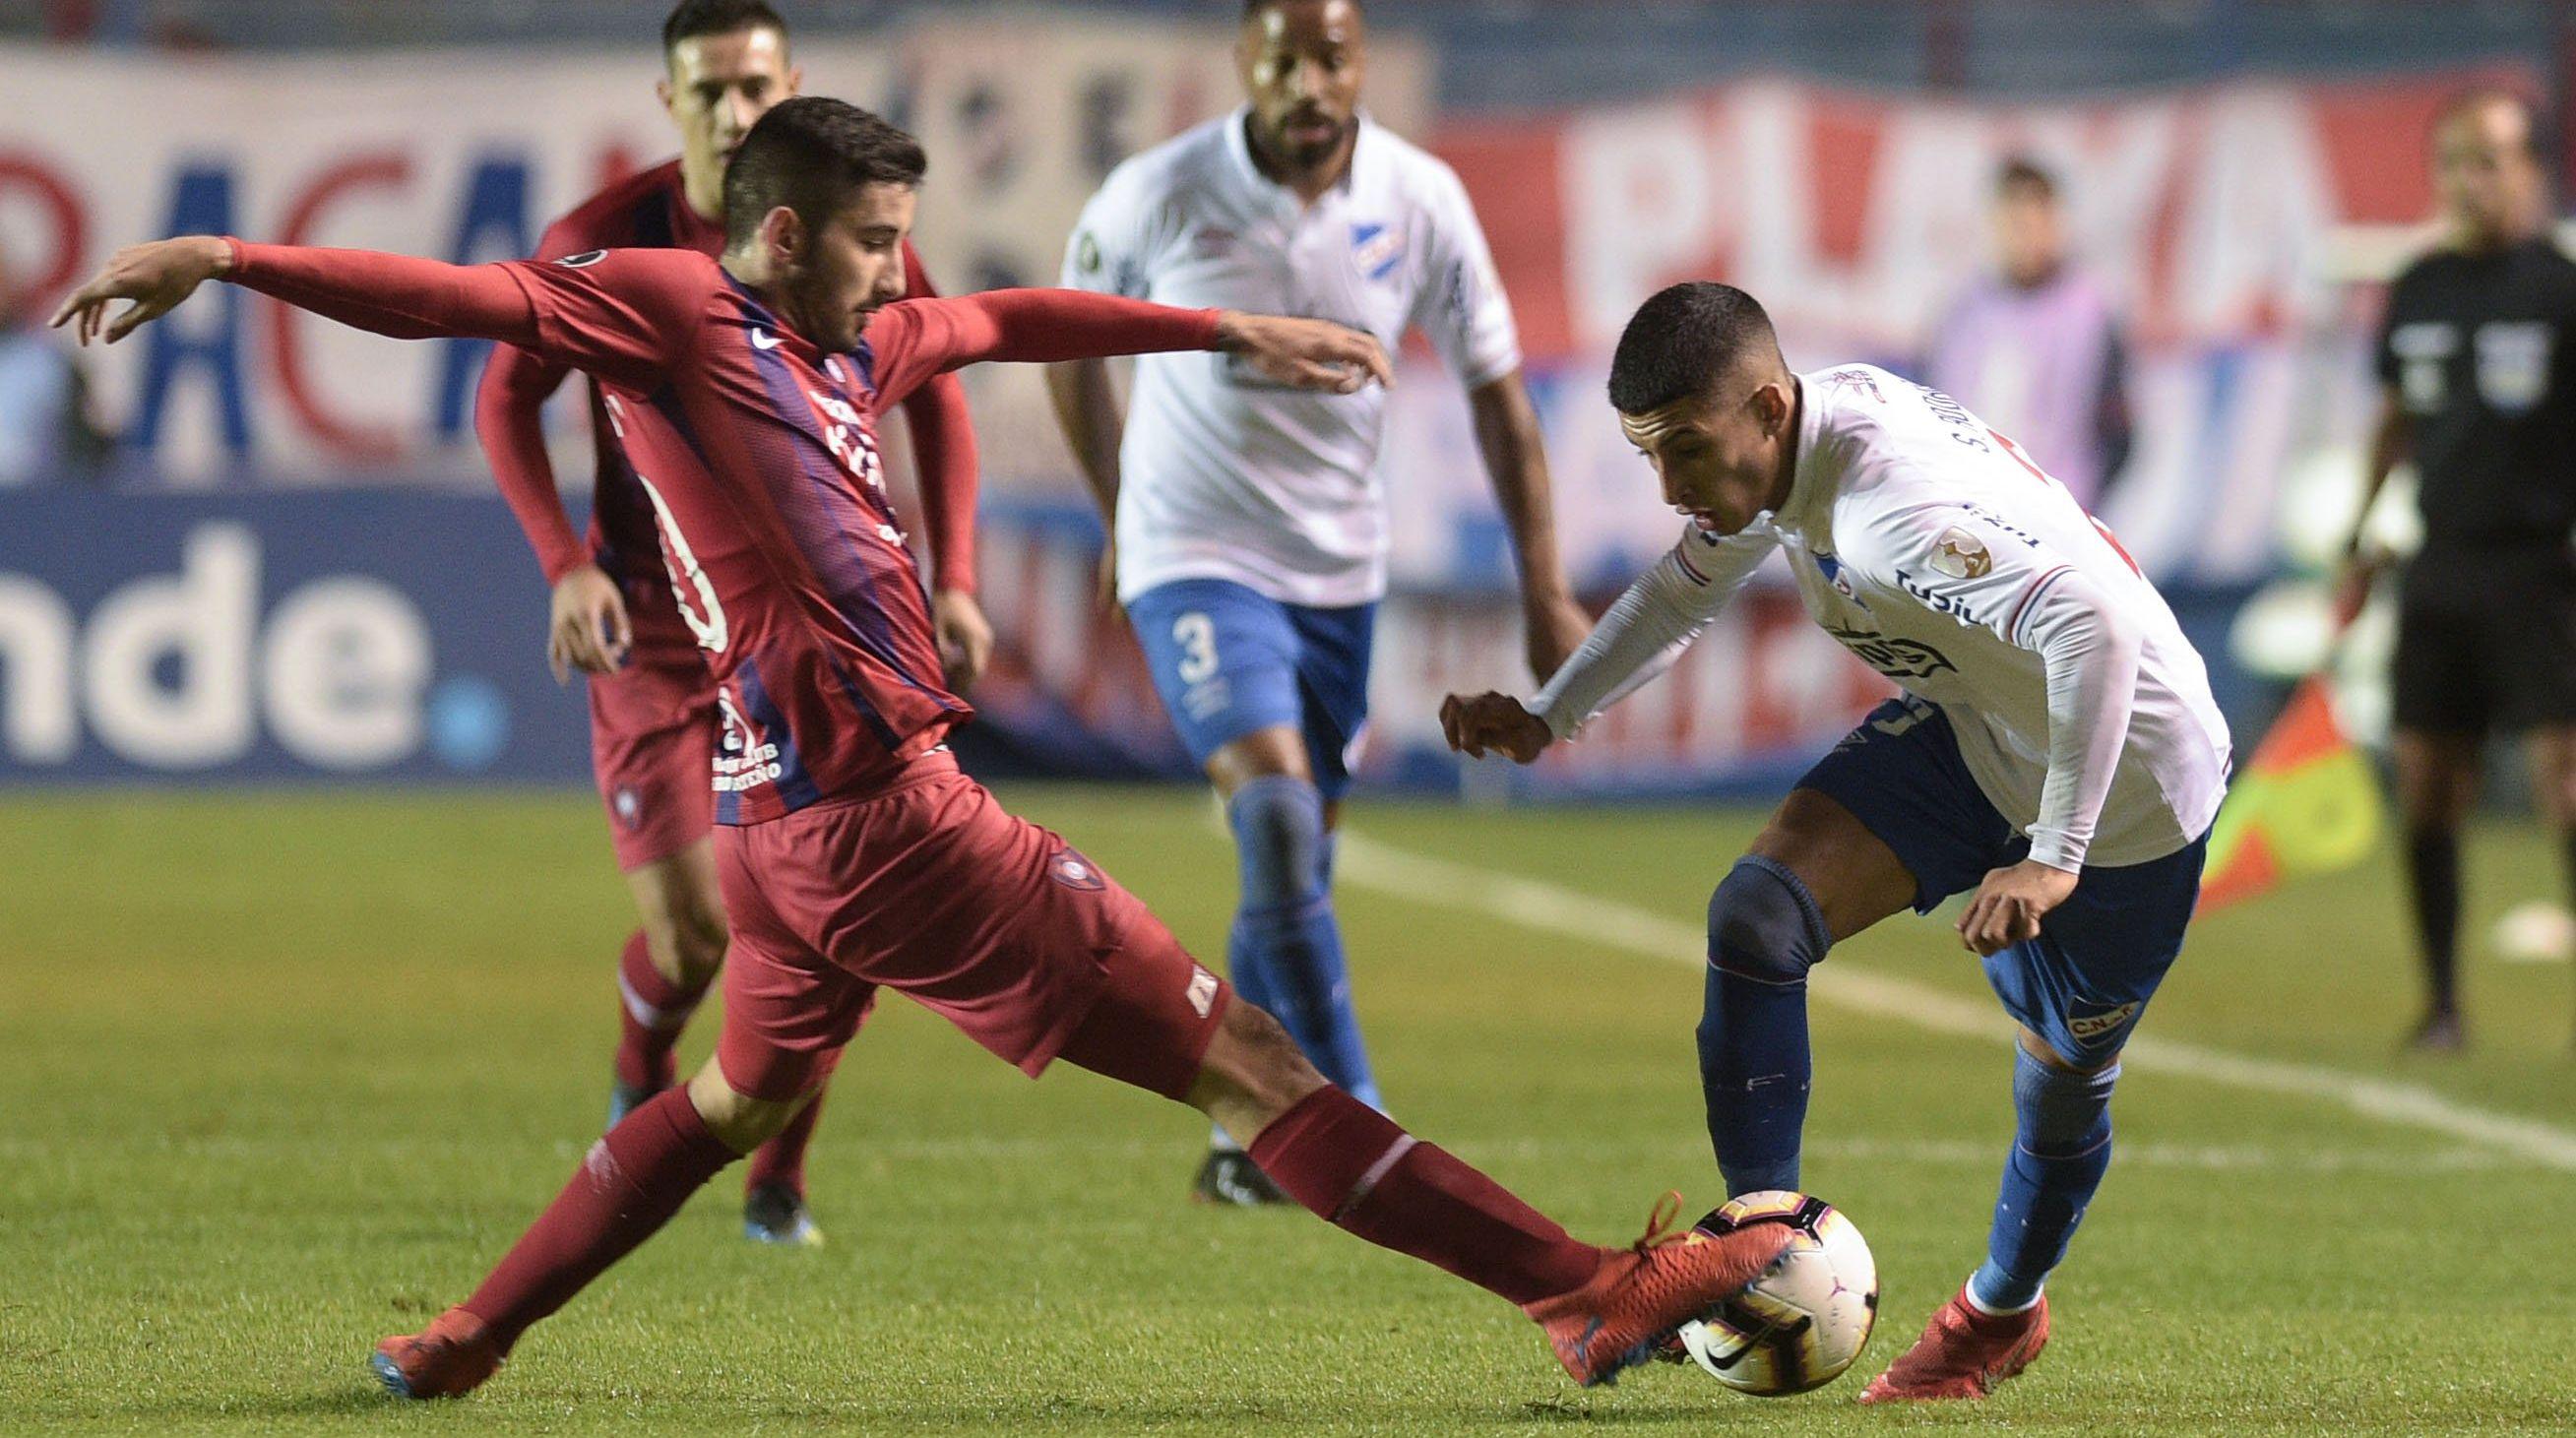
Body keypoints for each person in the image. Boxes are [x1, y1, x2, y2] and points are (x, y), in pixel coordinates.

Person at [55, 98, 1791, 1401]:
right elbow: (461, 303)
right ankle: (1578, 1290)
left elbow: (1010, 325)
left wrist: (1224, 333)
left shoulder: (846, 343)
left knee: (728, 1098)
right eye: (879, 236)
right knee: (1251, 1069)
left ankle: (466, 1336)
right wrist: (227, 259)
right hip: (896, 829)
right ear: (791, 228)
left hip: (787, 843)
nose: (904, 271)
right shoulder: (665, 310)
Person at [1442, 283, 2231, 1402]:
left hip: (2126, 791)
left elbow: (2091, 623)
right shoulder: (1795, 438)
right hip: (1979, 729)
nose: (1670, 488)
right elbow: (1682, 590)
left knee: (2059, 1086)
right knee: (1756, 915)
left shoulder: (1887, 511)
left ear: (1765, 408)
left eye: (1684, 453)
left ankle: (1998, 1311)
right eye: (1648, 458)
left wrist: (2054, 853)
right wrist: (1550, 714)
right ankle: (1757, 1250)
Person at [1046, 0, 1590, 1204]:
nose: (1305, 81)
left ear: (1360, 65)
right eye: (1279, 57)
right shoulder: (1160, 191)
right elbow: (1070, 344)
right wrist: (1116, 513)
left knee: (1293, 862)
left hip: (1339, 573)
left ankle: (1249, 1141)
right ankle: (1361, 1130)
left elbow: (1501, 395)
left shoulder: (1420, 198)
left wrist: (1542, 584)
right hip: (1193, 551)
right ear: (1243, 64)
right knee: (1277, 820)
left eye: (1327, 57)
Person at [476, 0, 992, 1246]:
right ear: (670, 101)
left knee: (846, 898)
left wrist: (957, 575)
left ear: (790, 80)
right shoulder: (605, 239)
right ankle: (637, 1065)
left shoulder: (839, 228)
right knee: (696, 930)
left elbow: (943, 398)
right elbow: (506, 400)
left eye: (752, 82)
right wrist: (562, 565)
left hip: (804, 634)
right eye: (706, 89)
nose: (731, 107)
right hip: (654, 622)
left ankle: (779, 1179)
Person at [2336, 88, 2576, 1053]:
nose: (2468, 180)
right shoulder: (2419, 284)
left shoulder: (2559, 291)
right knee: (2429, 786)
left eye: (2488, 159)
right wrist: (2359, 535)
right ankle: (2440, 1004)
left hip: (2539, 570)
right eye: (2452, 162)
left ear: (2531, 170)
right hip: (2437, 567)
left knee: (2564, 779)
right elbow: (2396, 420)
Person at [1920, 157, 2132, 513]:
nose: (2024, 236)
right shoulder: (1961, 313)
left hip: (2055, 519)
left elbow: (2119, 433)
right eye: (2013, 222)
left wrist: (2079, 510)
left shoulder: (2090, 314)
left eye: (2034, 222)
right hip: (1968, 513)